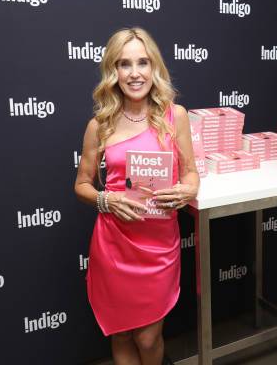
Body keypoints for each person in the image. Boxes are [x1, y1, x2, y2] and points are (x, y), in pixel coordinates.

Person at [74, 27, 200, 365]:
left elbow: (191, 172)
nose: (134, 73)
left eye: (142, 62)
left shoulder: (176, 116)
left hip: (158, 246)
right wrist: (106, 199)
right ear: (113, 72)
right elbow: (83, 183)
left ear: (154, 67)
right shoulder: (99, 125)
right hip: (114, 244)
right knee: (122, 332)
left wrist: (187, 189)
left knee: (147, 337)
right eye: (124, 64)